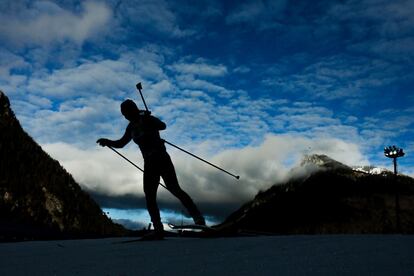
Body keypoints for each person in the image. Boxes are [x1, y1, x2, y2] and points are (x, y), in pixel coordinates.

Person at [97, 99, 205, 240]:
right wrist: (108, 142)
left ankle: (199, 220)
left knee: (174, 188)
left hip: (162, 158)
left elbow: (163, 126)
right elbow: (122, 143)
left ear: (133, 110)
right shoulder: (131, 127)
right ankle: (158, 229)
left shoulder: (146, 119)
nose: (125, 116)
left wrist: (150, 120)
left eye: (126, 113)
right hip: (149, 163)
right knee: (150, 196)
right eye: (123, 114)